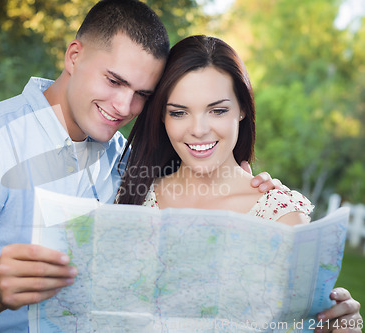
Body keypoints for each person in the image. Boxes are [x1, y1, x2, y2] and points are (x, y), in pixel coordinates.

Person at [0, 1, 283, 332]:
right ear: (74, 56)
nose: (123, 107)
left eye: (141, 95)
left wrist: (245, 192)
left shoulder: (124, 157)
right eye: (114, 81)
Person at [117, 35, 362, 332]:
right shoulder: (132, 197)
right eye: (179, 112)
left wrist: (339, 327)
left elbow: (303, 323)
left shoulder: (281, 217)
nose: (198, 130)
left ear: (242, 109)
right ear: (162, 117)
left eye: (217, 110)